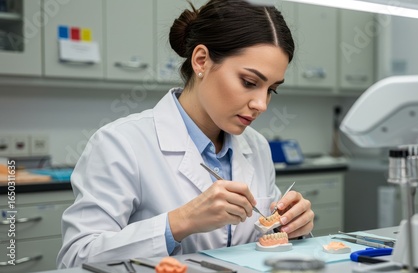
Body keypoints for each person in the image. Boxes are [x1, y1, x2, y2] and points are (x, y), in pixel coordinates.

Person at [57, 0, 314, 268]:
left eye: (271, 89)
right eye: (249, 82)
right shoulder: (121, 143)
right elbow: (76, 258)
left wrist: (290, 227)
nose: (261, 104)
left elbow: (258, 244)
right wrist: (179, 222)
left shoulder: (256, 146)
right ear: (201, 60)